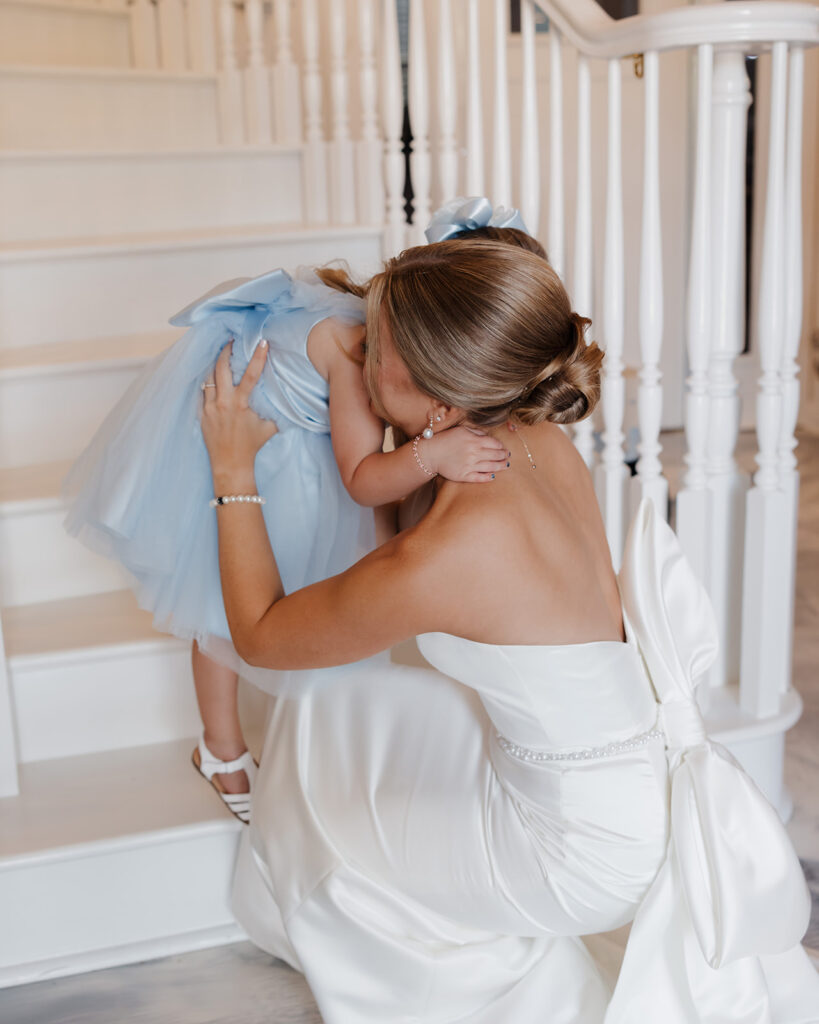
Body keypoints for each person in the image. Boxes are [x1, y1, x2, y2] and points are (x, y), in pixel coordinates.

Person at [198, 235, 819, 1022]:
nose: (354, 356)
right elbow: (394, 537)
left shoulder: (447, 554)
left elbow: (258, 634)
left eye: (374, 348)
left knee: (337, 849)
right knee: (332, 710)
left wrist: (231, 472)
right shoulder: (534, 438)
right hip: (635, 787)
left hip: (579, 854)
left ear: (441, 401)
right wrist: (407, 449)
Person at [61, 229, 514, 821]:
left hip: (301, 443)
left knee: (332, 588)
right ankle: (219, 746)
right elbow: (360, 476)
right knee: (221, 610)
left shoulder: (374, 326)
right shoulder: (355, 359)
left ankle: (319, 729)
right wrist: (436, 453)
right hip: (269, 455)